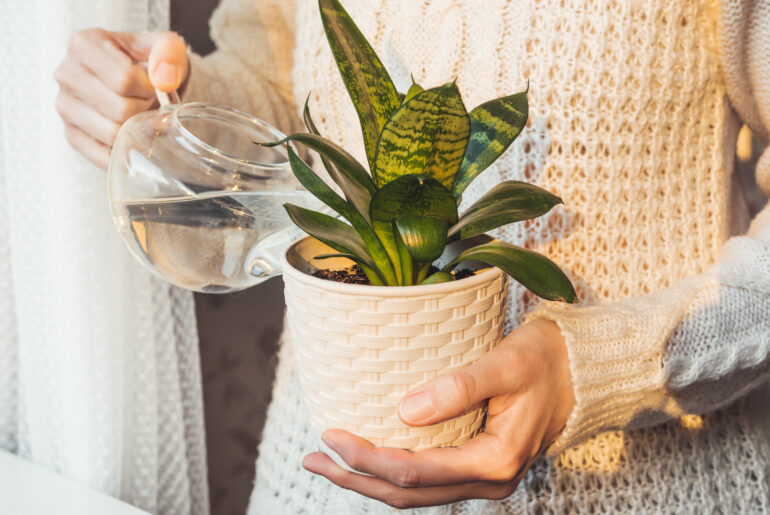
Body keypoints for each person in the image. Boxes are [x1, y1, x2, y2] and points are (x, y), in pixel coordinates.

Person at [55, 0, 770, 512]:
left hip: (650, 485)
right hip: (319, 484)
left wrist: (604, 364)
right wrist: (164, 109)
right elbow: (280, 97)